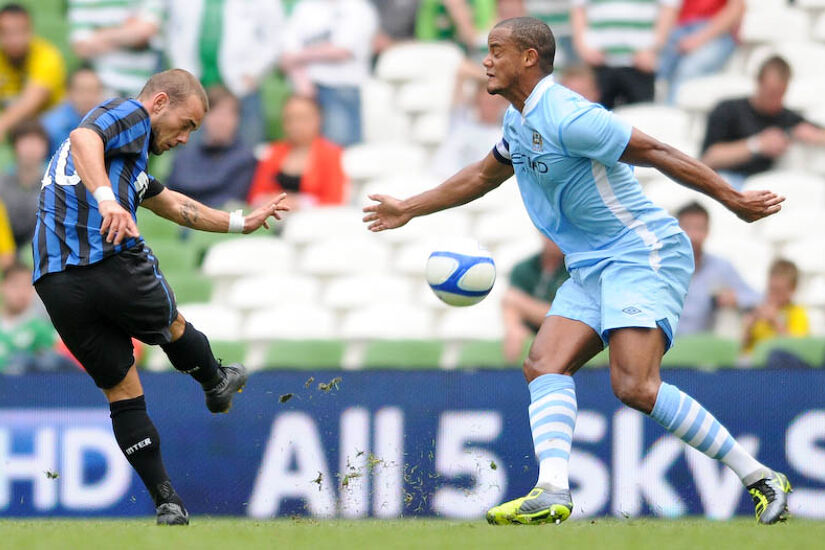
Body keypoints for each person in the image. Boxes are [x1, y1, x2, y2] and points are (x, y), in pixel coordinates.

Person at [363, 17, 790, 526]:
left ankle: (759, 476)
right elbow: (481, 176)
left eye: (497, 50)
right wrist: (409, 207)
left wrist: (734, 199)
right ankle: (553, 490)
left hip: (640, 250)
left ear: (528, 57)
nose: (486, 60)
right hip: (591, 263)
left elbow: (657, 151)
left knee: (634, 385)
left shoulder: (569, 114)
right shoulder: (518, 120)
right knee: (543, 364)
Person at [32, 69, 290, 526]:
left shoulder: (128, 164)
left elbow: (173, 204)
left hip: (55, 282)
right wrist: (109, 201)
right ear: (160, 103)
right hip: (108, 258)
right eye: (187, 124)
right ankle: (215, 381)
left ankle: (167, 500)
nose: (187, 137)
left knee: (121, 391)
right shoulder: (129, 114)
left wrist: (239, 223)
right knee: (172, 328)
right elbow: (81, 135)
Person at [164, 0, 285, 147]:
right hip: (196, 89)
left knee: (248, 150)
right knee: (191, 151)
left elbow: (275, 36)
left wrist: (254, 72)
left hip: (241, 89)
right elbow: (172, 31)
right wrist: (184, 70)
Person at [701, 55, 825, 189]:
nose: (776, 99)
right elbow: (708, 159)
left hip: (765, 186)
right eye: (771, 93)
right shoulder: (728, 109)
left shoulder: (787, 118)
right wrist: (757, 145)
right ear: (758, 82)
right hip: (726, 180)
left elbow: (816, 133)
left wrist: (809, 135)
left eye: (781, 93)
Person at [281, 0, 379, 147]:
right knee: (306, 154)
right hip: (306, 92)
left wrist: (299, 56)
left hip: (341, 91)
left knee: (338, 150)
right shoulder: (305, 7)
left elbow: (343, 50)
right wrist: (303, 84)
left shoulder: (357, 7)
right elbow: (287, 53)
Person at [571, 0, 678, 109]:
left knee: (640, 115)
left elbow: (669, 9)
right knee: (597, 115)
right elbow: (578, 9)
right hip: (599, 61)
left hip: (640, 62)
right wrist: (583, 48)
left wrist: (653, 48)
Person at [247, 95, 347, 210]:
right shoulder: (273, 152)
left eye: (302, 118)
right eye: (289, 119)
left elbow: (335, 200)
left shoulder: (331, 154)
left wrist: (299, 203)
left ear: (318, 119)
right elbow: (254, 196)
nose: (295, 125)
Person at [676, 201, 759, 336]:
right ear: (676, 231)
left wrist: (735, 299)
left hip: (704, 349)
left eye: (699, 228)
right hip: (665, 347)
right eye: (687, 228)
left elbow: (755, 298)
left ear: (708, 231)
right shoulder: (660, 268)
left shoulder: (721, 267)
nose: (693, 236)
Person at [167, 86, 257, 208]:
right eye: (215, 113)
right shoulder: (184, 154)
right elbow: (168, 192)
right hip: (175, 218)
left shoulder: (245, 159)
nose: (221, 121)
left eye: (227, 115)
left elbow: (230, 200)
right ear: (204, 117)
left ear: (237, 120)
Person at [68, 0, 162, 98]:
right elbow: (82, 47)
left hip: (145, 87)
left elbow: (146, 32)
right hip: (101, 89)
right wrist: (129, 32)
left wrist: (100, 33)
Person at [431, 62, 509, 179]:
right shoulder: (461, 121)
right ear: (476, 100)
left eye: (494, 103)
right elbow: (462, 70)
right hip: (441, 180)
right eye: (485, 101)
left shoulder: (504, 135)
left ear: (502, 104)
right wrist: (495, 78)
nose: (489, 106)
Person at [659, 0, 744, 105]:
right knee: (655, 66)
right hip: (681, 30)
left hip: (716, 34)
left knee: (688, 69)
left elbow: (736, 9)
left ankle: (671, 115)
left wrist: (698, 39)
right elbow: (670, 10)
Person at [0, 4, 66, 139]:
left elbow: (32, 100)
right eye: (6, 32)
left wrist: (3, 124)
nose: (13, 39)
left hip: (45, 119)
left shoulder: (47, 55)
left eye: (19, 31)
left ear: (30, 31)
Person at [502, 236, 569, 363]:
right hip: (530, 343)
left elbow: (564, 320)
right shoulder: (522, 268)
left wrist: (518, 303)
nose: (553, 236)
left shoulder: (576, 270)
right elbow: (509, 304)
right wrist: (513, 327)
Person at [0, 262, 72, 375]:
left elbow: (70, 356)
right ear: (3, 286)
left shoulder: (40, 328)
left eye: (27, 286)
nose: (21, 292)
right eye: (15, 285)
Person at [0, 120, 50, 250]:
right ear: (15, 146)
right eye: (26, 142)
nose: (31, 149)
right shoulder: (3, 183)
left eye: (37, 142)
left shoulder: (53, 184)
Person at [742, 259, 809, 355]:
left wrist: (776, 321)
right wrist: (747, 329)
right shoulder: (759, 312)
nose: (773, 296)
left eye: (779, 291)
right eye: (771, 289)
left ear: (792, 289)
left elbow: (798, 348)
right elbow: (742, 350)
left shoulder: (797, 312)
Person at [40, 67, 105, 157]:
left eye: (93, 91)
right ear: (69, 93)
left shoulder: (107, 125)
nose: (87, 97)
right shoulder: (49, 126)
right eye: (81, 90)